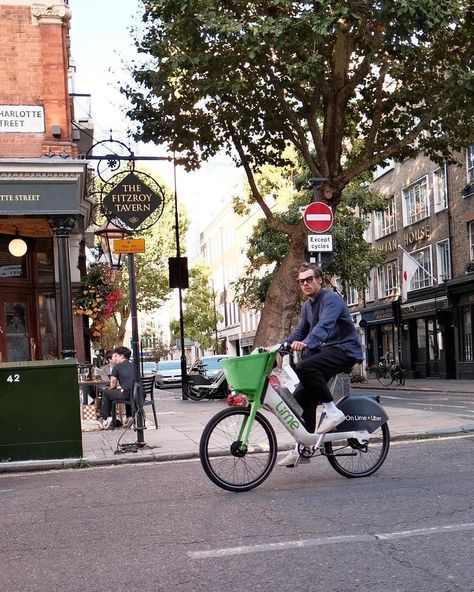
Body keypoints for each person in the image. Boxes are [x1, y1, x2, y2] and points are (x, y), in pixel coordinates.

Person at [278, 263, 364, 467]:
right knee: (300, 399)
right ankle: (304, 447)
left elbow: (324, 326)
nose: (305, 284)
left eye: (309, 279)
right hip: (325, 352)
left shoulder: (331, 299)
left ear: (319, 280)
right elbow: (300, 331)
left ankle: (332, 411)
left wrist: (307, 343)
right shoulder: (307, 306)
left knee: (305, 367)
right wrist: (282, 347)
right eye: (301, 281)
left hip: (344, 350)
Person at [99, 346, 135, 430]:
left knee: (106, 392)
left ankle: (106, 417)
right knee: (127, 390)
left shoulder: (116, 367)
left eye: (116, 356)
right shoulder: (135, 366)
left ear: (122, 356)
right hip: (139, 394)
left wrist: (110, 389)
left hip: (127, 394)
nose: (115, 358)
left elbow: (113, 385)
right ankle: (129, 417)